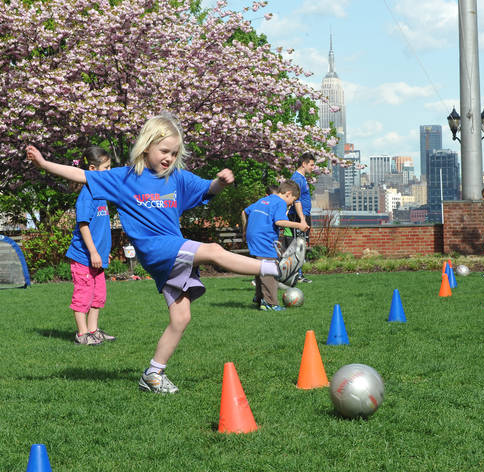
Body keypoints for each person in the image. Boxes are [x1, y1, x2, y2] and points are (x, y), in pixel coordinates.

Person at [26, 113, 303, 394]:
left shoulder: (176, 179)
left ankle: (153, 374)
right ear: (147, 146)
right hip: (154, 249)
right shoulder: (125, 178)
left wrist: (221, 181)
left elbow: (208, 189)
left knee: (181, 318)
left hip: (173, 250)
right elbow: (81, 175)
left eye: (174, 153)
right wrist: (44, 163)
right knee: (213, 250)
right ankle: (278, 269)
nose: (169, 158)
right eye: (164, 151)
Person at [65, 147, 116, 345]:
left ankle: (93, 331)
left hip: (98, 257)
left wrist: (103, 253)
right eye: (107, 167)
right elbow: (83, 225)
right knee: (83, 294)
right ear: (93, 169)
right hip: (83, 257)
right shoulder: (87, 194)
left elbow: (99, 228)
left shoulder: (100, 193)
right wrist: (94, 252)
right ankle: (82, 334)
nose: (110, 171)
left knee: (98, 295)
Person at [242, 181, 309, 311]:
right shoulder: (280, 203)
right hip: (263, 237)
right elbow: (279, 221)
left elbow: (244, 212)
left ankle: (259, 297)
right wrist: (300, 225)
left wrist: (245, 230)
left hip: (253, 235)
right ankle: (270, 303)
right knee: (269, 268)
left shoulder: (265, 200)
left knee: (259, 267)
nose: (290, 205)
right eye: (292, 201)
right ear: (288, 194)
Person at [288, 152, 316, 283]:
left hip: (304, 215)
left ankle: (299, 274)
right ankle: (296, 275)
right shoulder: (297, 178)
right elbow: (296, 200)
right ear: (304, 164)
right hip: (299, 217)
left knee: (302, 245)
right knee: (297, 245)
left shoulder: (302, 178)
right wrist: (302, 219)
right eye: (311, 165)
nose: (313, 167)